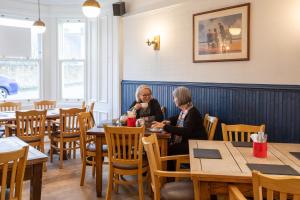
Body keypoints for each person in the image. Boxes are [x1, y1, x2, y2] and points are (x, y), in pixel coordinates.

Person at [152, 86, 206, 170]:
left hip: (195, 144)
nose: (174, 100)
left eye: (175, 98)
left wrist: (165, 126)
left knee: (168, 149)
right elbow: (177, 118)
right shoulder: (187, 110)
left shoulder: (192, 113)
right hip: (191, 141)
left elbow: (186, 131)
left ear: (181, 98)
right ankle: (168, 173)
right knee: (167, 146)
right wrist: (168, 121)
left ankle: (170, 175)